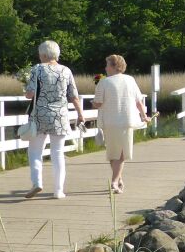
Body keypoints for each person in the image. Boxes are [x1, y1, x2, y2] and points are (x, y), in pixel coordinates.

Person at [23, 40, 84, 199]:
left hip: (40, 115)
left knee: (35, 151)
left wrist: (26, 87)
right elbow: (73, 96)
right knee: (57, 152)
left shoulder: (37, 69)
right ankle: (58, 190)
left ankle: (37, 182)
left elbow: (29, 94)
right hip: (60, 116)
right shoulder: (66, 70)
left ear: (43, 54)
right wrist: (80, 114)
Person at [92, 54, 151, 194]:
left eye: (107, 65)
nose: (105, 68)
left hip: (109, 122)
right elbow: (138, 101)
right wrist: (144, 116)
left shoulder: (103, 83)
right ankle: (114, 181)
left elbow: (98, 103)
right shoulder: (130, 80)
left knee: (113, 153)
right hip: (125, 121)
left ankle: (118, 179)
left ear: (113, 66)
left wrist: (93, 103)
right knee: (121, 154)